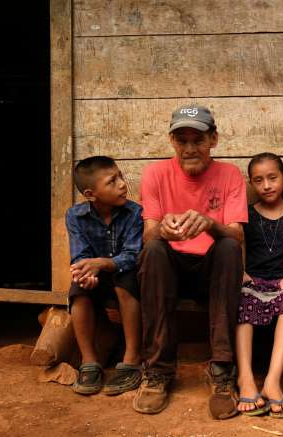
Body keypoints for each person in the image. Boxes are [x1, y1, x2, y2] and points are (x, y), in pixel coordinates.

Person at [134, 104, 247, 419]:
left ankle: (222, 369)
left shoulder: (229, 174)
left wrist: (210, 223)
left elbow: (236, 235)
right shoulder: (156, 173)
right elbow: (148, 234)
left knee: (227, 247)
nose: (189, 148)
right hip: (170, 271)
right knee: (154, 250)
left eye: (197, 140)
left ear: (214, 139)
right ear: (172, 142)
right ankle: (158, 372)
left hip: (211, 273)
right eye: (181, 140)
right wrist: (163, 230)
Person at [66, 156, 143, 396]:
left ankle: (131, 358)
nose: (122, 184)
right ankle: (90, 362)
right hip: (96, 275)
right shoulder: (75, 216)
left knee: (125, 282)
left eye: (120, 176)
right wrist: (85, 273)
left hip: (125, 275)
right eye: (112, 181)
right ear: (91, 194)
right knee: (78, 291)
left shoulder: (135, 212)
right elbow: (79, 255)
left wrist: (103, 263)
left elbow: (133, 254)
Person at [236, 152, 283, 418]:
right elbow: (240, 244)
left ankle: (273, 379)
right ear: (251, 183)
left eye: (273, 178)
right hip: (253, 279)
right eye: (258, 180)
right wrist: (242, 273)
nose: (267, 185)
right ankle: (245, 377)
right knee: (243, 300)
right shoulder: (247, 215)